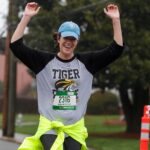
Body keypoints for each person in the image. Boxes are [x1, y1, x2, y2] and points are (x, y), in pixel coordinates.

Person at [10, 2, 124, 150]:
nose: (69, 42)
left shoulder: (87, 63)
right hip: (49, 126)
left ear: (77, 41)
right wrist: (26, 17)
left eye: (73, 39)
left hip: (74, 128)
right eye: (66, 38)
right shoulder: (43, 61)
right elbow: (15, 46)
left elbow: (116, 50)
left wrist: (116, 20)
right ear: (58, 38)